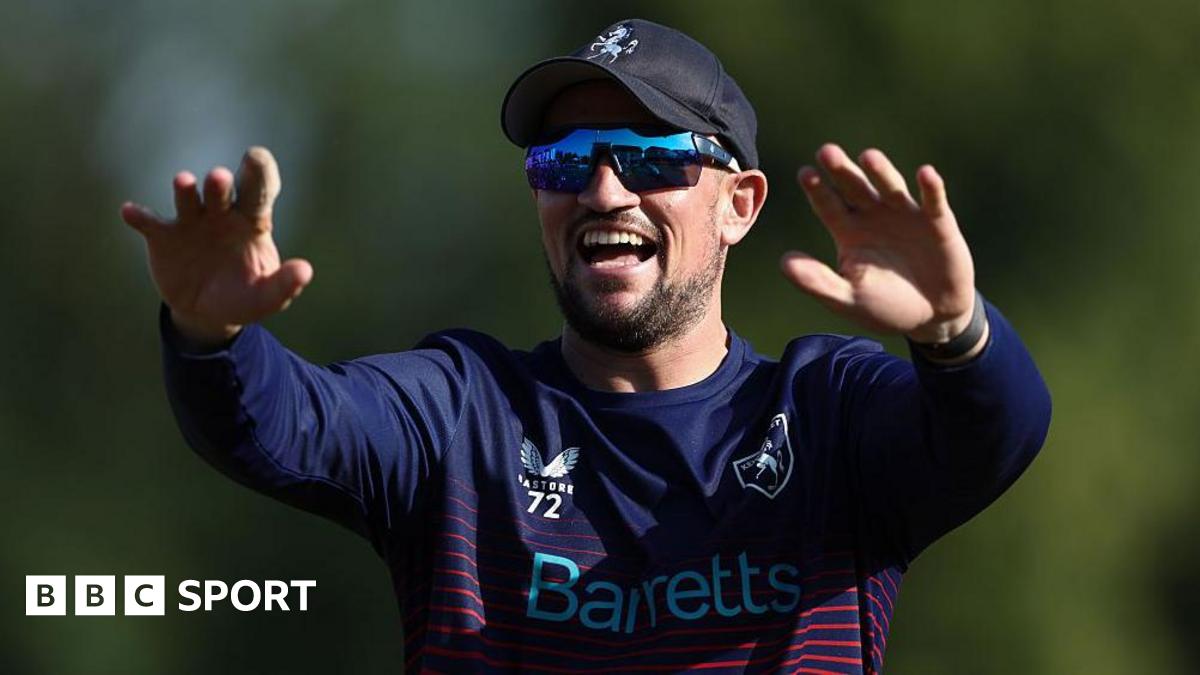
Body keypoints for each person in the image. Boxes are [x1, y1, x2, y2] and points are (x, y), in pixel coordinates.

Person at [121, 18, 1051, 674]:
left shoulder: (824, 411)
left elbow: (996, 433)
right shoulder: (462, 414)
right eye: (565, 161)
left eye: (649, 156)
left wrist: (952, 332)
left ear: (740, 205)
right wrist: (214, 336)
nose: (603, 192)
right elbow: (286, 426)